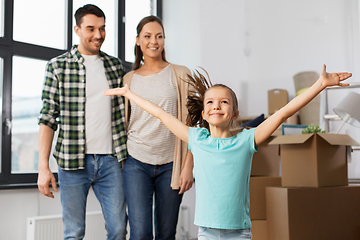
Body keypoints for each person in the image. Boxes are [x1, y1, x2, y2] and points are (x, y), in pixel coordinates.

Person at [105, 64, 351, 239]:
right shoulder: (197, 139)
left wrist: (320, 85)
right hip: (208, 232)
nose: (216, 106)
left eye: (224, 102)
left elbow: (284, 112)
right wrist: (128, 93)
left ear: (234, 113)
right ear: (203, 113)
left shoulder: (246, 140)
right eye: (210, 102)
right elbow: (160, 114)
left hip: (239, 232)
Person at [37, 4, 127, 240]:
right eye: (91, 29)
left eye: (102, 28)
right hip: (72, 162)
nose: (98, 35)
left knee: (118, 230)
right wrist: (43, 167)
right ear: (77, 29)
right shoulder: (58, 66)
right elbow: (48, 118)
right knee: (74, 232)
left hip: (111, 161)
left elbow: (125, 115)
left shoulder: (115, 66)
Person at [121, 15, 194, 239]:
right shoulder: (128, 79)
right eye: (148, 36)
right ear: (137, 40)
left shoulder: (180, 74)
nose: (154, 41)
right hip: (136, 163)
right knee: (140, 233)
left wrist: (188, 165)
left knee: (166, 233)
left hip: (171, 164)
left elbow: (195, 124)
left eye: (159, 36)